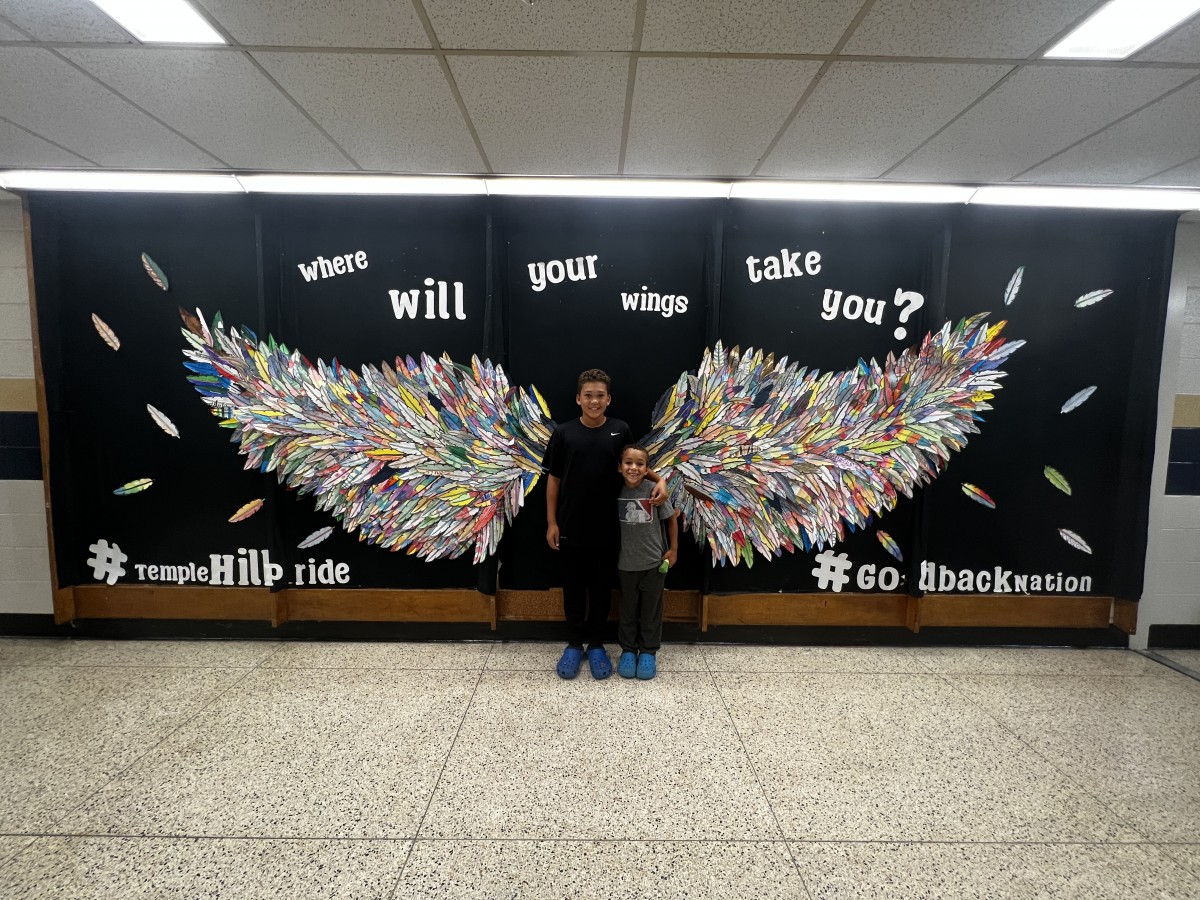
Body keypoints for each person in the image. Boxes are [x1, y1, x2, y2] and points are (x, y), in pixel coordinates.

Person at [544, 369, 666, 680]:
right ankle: (574, 644)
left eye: (600, 395)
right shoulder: (564, 434)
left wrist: (660, 479)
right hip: (570, 526)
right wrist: (551, 522)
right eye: (588, 395)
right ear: (578, 399)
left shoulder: (620, 429)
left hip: (610, 528)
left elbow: (635, 463)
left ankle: (596, 644)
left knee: (600, 590)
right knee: (573, 589)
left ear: (608, 399)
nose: (594, 400)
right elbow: (554, 480)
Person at [615, 444, 677, 680]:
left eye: (640, 464)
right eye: (628, 463)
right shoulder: (615, 490)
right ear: (619, 467)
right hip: (625, 565)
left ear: (647, 468)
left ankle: (649, 651)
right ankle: (628, 651)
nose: (633, 467)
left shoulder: (654, 490)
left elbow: (670, 520)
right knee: (628, 610)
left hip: (654, 564)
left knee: (651, 611)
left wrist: (673, 549)